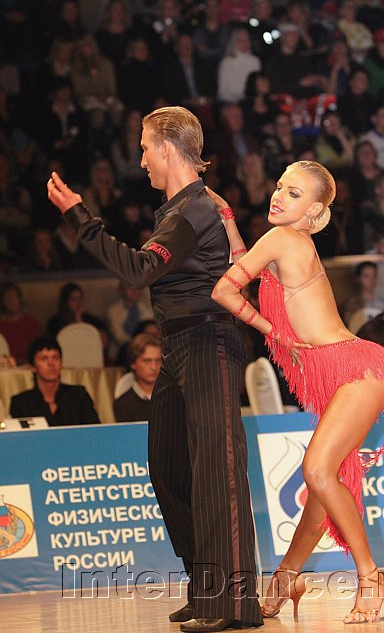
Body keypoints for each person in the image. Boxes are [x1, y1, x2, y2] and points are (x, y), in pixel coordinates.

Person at [207, 159, 384, 625]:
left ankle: (370, 576)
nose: (278, 196)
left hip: (356, 369)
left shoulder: (281, 239)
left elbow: (225, 289)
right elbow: (245, 262)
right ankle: (286, 577)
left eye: (293, 193)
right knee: (322, 485)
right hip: (345, 372)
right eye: (279, 186)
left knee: (318, 470)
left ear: (314, 210)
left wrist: (272, 332)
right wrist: (229, 219)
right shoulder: (284, 241)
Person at [47, 105, 262, 632]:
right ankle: (205, 587)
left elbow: (139, 270)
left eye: (145, 148)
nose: (141, 160)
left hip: (209, 342)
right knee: (168, 469)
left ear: (168, 147)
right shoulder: (184, 208)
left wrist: (80, 217)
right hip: (179, 346)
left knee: (217, 473)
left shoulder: (194, 209)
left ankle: (233, 603)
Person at [10, 336, 100, 426]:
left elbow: (95, 429)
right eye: (44, 359)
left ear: (61, 363)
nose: (51, 363)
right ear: (32, 367)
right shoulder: (21, 403)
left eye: (55, 358)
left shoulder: (79, 396)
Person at [113, 332, 162, 422]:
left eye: (158, 360)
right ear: (133, 363)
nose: (153, 367)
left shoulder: (173, 397)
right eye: (147, 361)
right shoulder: (123, 404)